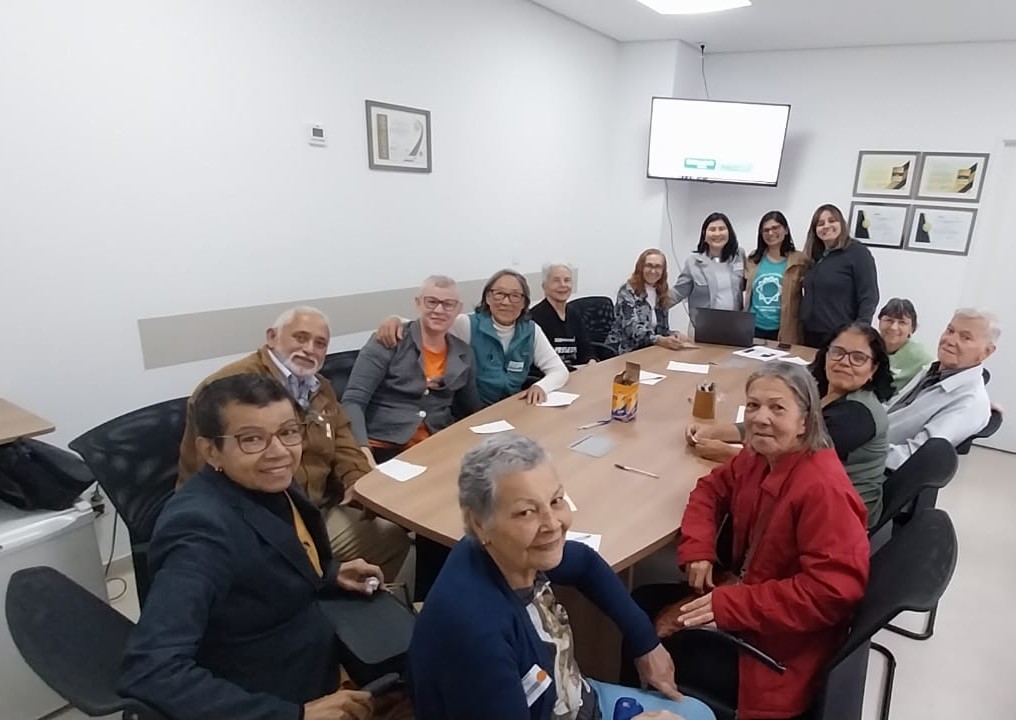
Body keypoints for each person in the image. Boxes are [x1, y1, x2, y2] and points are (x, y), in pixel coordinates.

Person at [120, 374, 381, 720]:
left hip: (310, 644)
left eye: (288, 432)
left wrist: (327, 573)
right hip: (272, 692)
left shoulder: (267, 482)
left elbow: (265, 563)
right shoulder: (200, 532)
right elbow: (150, 669)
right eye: (251, 439)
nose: (279, 453)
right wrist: (294, 715)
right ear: (210, 450)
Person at [407, 433, 715, 720]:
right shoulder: (474, 636)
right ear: (480, 524)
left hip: (572, 698)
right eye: (526, 512)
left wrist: (646, 644)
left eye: (556, 501)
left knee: (699, 713)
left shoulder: (509, 550)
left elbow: (585, 564)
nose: (553, 524)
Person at [636, 363, 870, 720]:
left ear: (806, 420)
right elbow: (710, 489)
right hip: (749, 598)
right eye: (753, 406)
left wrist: (732, 605)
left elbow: (833, 592)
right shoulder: (760, 455)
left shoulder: (823, 489)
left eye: (777, 408)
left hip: (777, 648)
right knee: (637, 607)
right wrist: (698, 548)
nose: (760, 418)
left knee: (638, 621)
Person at [178, 306, 410, 581]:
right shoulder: (227, 389)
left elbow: (344, 441)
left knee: (391, 536)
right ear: (272, 337)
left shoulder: (318, 386)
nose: (309, 349)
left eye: (320, 343)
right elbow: (207, 476)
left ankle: (343, 602)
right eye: (300, 338)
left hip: (315, 508)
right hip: (259, 520)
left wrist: (357, 481)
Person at [686, 323, 892, 526]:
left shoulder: (858, 414)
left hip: (839, 516)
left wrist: (725, 452)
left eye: (858, 358)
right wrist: (715, 431)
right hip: (805, 494)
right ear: (826, 354)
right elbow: (774, 423)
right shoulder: (821, 391)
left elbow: (792, 461)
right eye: (838, 352)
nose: (845, 362)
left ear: (873, 368)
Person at [341, 276, 482, 464]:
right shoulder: (389, 340)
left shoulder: (463, 353)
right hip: (384, 447)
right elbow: (353, 401)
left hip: (437, 445)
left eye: (448, 304)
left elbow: (472, 408)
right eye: (431, 302)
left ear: (458, 309)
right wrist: (362, 450)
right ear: (418, 303)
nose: (439, 310)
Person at [376, 270, 569, 407]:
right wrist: (395, 320)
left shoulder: (531, 331)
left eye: (515, 296)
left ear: (524, 303)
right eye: (499, 294)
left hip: (514, 409)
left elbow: (559, 371)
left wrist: (540, 386)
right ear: (487, 298)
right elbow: (427, 326)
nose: (506, 301)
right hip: (472, 413)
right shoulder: (466, 325)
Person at [885, 308, 998, 470]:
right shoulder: (934, 371)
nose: (950, 340)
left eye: (965, 338)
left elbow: (913, 457)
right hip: (872, 446)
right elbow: (894, 410)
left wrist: (860, 451)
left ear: (987, 352)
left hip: (873, 470)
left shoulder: (968, 402)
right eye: (950, 330)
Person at [799, 203, 880, 348]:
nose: (826, 226)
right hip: (810, 333)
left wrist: (859, 332)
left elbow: (869, 296)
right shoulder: (816, 256)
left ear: (841, 223)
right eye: (820, 223)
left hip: (840, 335)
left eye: (832, 220)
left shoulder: (858, 253)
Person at [672, 213, 746, 332]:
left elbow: (749, 284)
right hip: (703, 329)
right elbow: (678, 292)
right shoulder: (694, 262)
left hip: (734, 328)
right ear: (704, 235)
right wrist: (652, 303)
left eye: (721, 229)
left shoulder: (739, 256)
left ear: (729, 233)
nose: (717, 234)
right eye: (712, 229)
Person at [744, 211, 810, 344]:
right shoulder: (753, 259)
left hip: (784, 329)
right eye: (765, 230)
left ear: (785, 230)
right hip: (754, 328)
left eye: (775, 228)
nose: (770, 233)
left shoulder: (799, 260)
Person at [606, 248, 689, 355]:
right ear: (640, 268)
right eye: (649, 265)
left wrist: (674, 335)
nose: (653, 271)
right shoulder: (627, 292)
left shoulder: (661, 293)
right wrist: (660, 340)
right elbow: (633, 330)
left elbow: (661, 330)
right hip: (624, 350)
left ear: (663, 271)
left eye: (658, 267)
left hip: (649, 349)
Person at [529, 261, 596, 370]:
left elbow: (586, 349)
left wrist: (591, 361)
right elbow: (538, 365)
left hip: (578, 375)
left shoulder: (574, 314)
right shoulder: (534, 318)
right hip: (551, 378)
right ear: (544, 286)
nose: (563, 285)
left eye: (567, 280)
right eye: (556, 280)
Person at [878, 298, 933, 393]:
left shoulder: (922, 359)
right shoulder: (867, 346)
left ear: (912, 328)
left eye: (902, 322)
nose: (893, 327)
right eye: (889, 320)